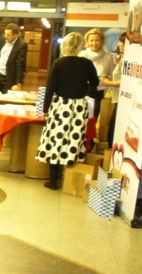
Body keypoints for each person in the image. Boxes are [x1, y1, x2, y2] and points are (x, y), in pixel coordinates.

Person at [36, 32, 99, 190]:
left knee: (56, 139)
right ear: (79, 46)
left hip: (60, 105)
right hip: (78, 106)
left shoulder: (58, 63)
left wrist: (45, 109)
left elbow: (50, 88)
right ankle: (69, 179)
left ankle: (53, 180)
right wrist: (83, 90)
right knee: (73, 139)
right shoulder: (86, 63)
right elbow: (95, 82)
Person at [79, 28, 115, 120]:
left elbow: (112, 76)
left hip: (98, 92)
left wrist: (106, 78)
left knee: (92, 119)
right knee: (81, 119)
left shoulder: (108, 57)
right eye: (91, 40)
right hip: (83, 91)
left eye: (97, 40)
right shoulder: (82, 55)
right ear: (87, 41)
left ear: (102, 41)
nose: (94, 43)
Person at [104, 33, 125, 144]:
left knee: (113, 131)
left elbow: (125, 81)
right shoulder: (122, 59)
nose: (118, 44)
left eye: (121, 42)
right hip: (117, 98)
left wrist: (108, 83)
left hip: (122, 100)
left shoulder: (127, 61)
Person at [0, 23, 28, 93]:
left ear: (15, 35)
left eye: (8, 35)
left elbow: (20, 64)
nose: (5, 36)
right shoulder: (2, 38)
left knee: (6, 98)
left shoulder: (21, 45)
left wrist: (18, 83)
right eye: (5, 33)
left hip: (9, 78)